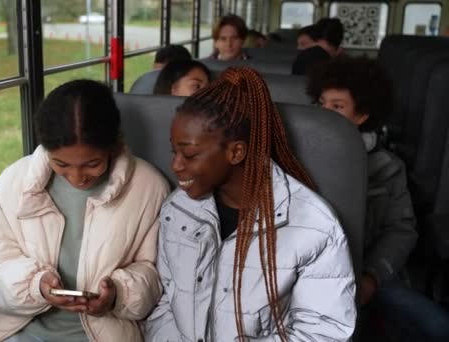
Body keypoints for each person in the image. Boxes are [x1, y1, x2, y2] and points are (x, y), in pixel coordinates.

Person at [145, 66, 356, 341]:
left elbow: (324, 333)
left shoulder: (313, 225)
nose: (175, 166)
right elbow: (164, 303)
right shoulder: (178, 209)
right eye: (175, 152)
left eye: (190, 155)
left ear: (236, 152)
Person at [0, 80, 170, 342]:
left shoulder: (148, 187)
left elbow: (156, 277)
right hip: (19, 333)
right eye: (61, 164)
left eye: (92, 164)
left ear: (112, 146)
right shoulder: (13, 183)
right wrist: (36, 287)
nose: (77, 177)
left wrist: (118, 295)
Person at [307, 57, 449, 342]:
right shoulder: (298, 154)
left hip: (366, 271)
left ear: (361, 116)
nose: (324, 114)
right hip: (309, 275)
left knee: (438, 327)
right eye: (321, 104)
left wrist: (372, 276)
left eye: (336, 107)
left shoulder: (386, 166)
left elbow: (401, 229)